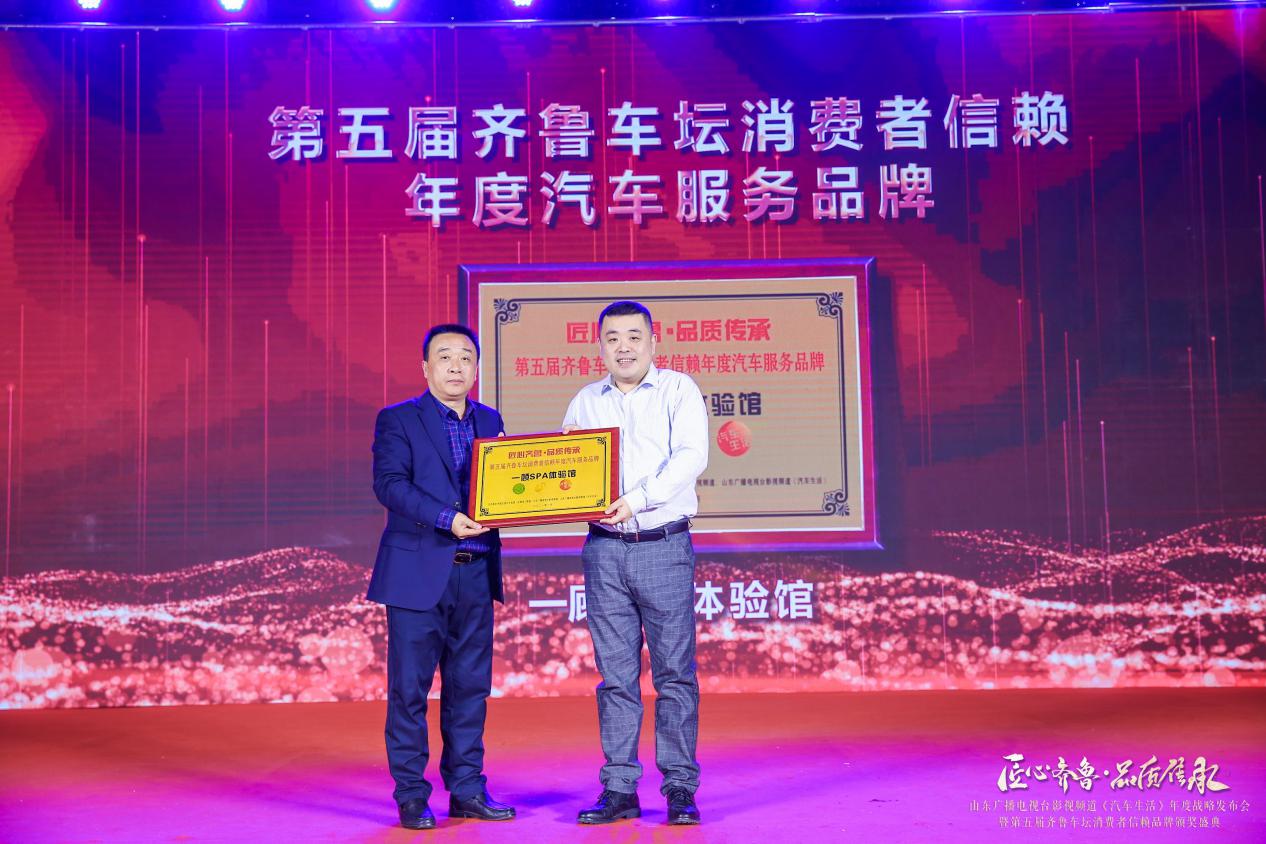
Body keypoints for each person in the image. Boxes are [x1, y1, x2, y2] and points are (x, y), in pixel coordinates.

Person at [561, 300, 709, 826]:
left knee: (674, 675)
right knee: (615, 678)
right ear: (600, 346)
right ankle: (620, 788)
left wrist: (637, 499)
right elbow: (568, 468)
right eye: (613, 338)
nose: (623, 347)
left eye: (633, 336)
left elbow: (691, 456)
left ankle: (679, 788)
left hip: (663, 545)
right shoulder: (585, 401)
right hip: (604, 550)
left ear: (652, 341)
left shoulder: (678, 390)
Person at [367, 323, 516, 830]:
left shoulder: (490, 419)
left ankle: (468, 789)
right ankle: (411, 794)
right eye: (445, 357)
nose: (456, 366)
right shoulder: (398, 419)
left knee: (470, 689)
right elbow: (390, 485)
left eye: (466, 357)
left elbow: (507, 485)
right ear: (426, 368)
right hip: (417, 574)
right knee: (409, 692)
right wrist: (446, 518)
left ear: (476, 368)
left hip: (476, 572)